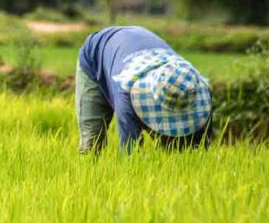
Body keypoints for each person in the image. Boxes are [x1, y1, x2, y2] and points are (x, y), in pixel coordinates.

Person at [76, 25, 212, 153]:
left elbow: (201, 148)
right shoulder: (128, 93)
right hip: (96, 54)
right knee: (91, 143)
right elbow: (130, 152)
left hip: (137, 45)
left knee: (179, 147)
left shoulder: (192, 83)